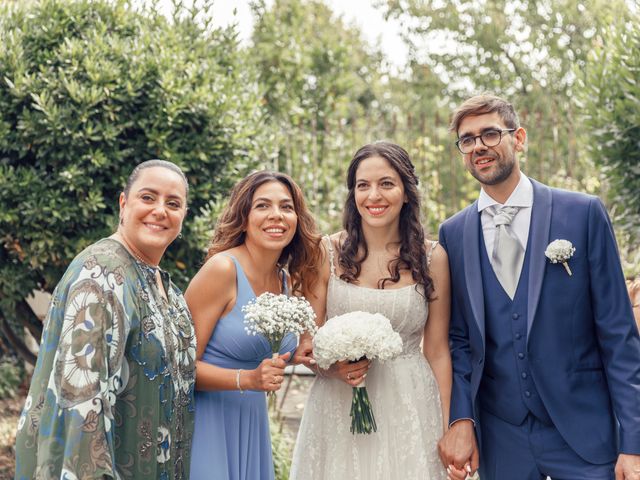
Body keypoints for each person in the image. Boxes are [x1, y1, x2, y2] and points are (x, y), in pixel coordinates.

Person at [438, 94, 640, 479]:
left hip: (583, 433)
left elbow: (618, 335)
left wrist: (633, 443)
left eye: (490, 134)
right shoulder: (454, 233)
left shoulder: (582, 213)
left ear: (519, 138)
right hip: (502, 437)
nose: (478, 145)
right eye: (467, 139)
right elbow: (459, 341)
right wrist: (461, 418)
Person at [14, 160, 196, 479]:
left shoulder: (167, 289)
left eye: (173, 203)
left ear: (183, 215)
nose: (160, 210)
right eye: (148, 197)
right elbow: (81, 409)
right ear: (123, 203)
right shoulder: (101, 275)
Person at [291, 141, 452, 480]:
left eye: (386, 184)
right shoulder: (326, 252)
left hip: (409, 402)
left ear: (406, 192)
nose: (373, 196)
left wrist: (448, 426)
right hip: (338, 402)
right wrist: (332, 369)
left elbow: (437, 351)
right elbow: (308, 343)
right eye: (363, 185)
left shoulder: (433, 258)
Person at [187, 171, 321, 480]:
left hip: (253, 421)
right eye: (263, 206)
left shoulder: (286, 281)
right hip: (210, 423)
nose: (277, 215)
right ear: (244, 217)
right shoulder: (221, 270)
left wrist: (306, 351)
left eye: (287, 207)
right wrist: (247, 378)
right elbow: (180, 368)